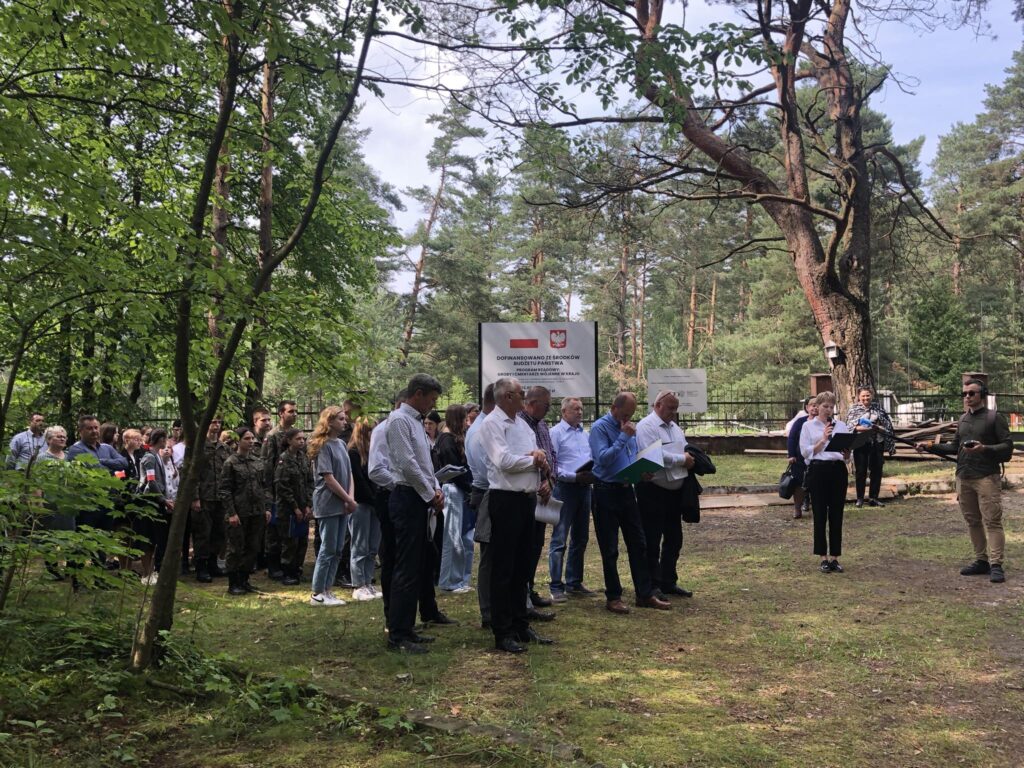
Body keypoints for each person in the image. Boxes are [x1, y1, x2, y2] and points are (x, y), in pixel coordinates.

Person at [480, 377, 554, 653]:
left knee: (523, 565)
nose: (524, 397)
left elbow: (536, 457)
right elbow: (504, 461)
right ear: (508, 396)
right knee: (503, 567)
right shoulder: (491, 424)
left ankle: (521, 625)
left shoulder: (523, 425)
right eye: (521, 393)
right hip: (505, 500)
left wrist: (541, 466)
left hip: (527, 499)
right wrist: (532, 459)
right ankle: (503, 631)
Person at [916, 379, 1014, 583]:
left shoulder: (994, 418)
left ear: (982, 394)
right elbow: (954, 447)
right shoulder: (962, 420)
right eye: (964, 394)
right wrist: (929, 447)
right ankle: (981, 561)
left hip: (987, 476)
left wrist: (984, 448)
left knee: (992, 521)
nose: (967, 397)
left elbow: (1007, 448)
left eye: (971, 393)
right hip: (964, 476)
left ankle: (996, 565)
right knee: (972, 521)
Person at [590, 392, 671, 614]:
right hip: (605, 492)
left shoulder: (630, 429)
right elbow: (603, 460)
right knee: (610, 548)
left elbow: (631, 455)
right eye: (624, 414)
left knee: (639, 543)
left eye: (631, 415)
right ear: (613, 408)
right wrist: (623, 437)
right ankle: (613, 596)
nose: (627, 419)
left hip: (627, 490)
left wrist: (641, 470)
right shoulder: (600, 428)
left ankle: (644, 594)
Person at [384, 374, 446, 653]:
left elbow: (425, 463)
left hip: (419, 496)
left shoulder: (416, 423)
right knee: (405, 568)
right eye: (431, 399)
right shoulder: (398, 420)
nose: (432, 405)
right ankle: (398, 634)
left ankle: (408, 628)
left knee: (417, 565)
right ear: (418, 394)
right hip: (407, 497)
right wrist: (428, 492)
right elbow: (406, 463)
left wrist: (435, 487)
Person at [635, 391, 696, 599]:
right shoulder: (646, 426)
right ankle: (652, 585)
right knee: (652, 539)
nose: (674, 412)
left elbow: (685, 449)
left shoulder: (675, 428)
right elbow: (652, 454)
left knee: (674, 539)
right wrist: (681, 459)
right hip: (653, 490)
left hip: (674, 492)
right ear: (658, 405)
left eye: (676, 408)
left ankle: (668, 581)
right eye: (671, 408)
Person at [547, 397, 597, 602]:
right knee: (559, 539)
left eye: (581, 409)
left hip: (584, 488)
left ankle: (574, 582)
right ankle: (556, 586)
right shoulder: (555, 433)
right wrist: (573, 476)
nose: (580, 412)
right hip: (564, 488)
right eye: (575, 409)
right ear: (564, 411)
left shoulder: (585, 435)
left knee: (581, 537)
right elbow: (553, 465)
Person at [308, 406, 356, 606]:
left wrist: (350, 498)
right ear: (329, 421)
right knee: (327, 548)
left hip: (343, 503)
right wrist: (347, 498)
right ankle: (317, 592)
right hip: (328, 503)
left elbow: (349, 474)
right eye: (341, 419)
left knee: (337, 548)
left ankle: (328, 590)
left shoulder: (341, 445)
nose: (345, 422)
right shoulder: (323, 445)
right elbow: (328, 478)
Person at [800, 391, 851, 573]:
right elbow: (805, 452)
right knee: (820, 513)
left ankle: (835, 557)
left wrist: (847, 454)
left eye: (831, 407)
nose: (828, 410)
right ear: (817, 407)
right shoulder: (808, 427)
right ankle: (823, 557)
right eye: (825, 406)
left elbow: (845, 454)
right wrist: (822, 440)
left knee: (836, 514)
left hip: (837, 470)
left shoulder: (841, 425)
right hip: (818, 470)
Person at [517, 386, 557, 615]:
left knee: (535, 546)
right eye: (547, 405)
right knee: (523, 547)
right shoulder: (519, 425)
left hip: (543, 495)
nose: (549, 409)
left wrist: (550, 482)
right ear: (531, 403)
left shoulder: (542, 425)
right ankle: (522, 598)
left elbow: (553, 457)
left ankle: (529, 589)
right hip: (523, 495)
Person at [219, 427, 269, 596]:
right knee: (235, 548)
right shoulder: (230, 463)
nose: (251, 441)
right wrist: (231, 513)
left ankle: (244, 579)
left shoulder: (257, 461)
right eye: (247, 438)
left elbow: (264, 487)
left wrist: (266, 508)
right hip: (239, 512)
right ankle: (233, 582)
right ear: (238, 441)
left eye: (252, 438)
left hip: (256, 511)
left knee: (252, 547)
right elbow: (225, 490)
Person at [435, 404, 474, 593]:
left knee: (459, 537)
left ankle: (457, 580)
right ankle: (448, 581)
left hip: (458, 489)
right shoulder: (446, 440)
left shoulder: (451, 439)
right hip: (452, 489)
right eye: (464, 419)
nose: (467, 423)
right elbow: (455, 471)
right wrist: (469, 487)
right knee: (452, 538)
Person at [465, 384, 496, 629]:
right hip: (488, 493)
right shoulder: (482, 429)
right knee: (490, 557)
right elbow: (490, 471)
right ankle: (488, 611)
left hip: (492, 492)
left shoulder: (488, 425)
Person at [347, 417, 382, 601]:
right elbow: (359, 481)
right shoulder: (353, 452)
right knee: (360, 545)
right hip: (361, 503)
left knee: (372, 546)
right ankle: (358, 584)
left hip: (374, 504)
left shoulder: (372, 452)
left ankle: (368, 581)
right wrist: (373, 499)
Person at [274, 428, 313, 586]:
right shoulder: (284, 459)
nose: (302, 441)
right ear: (289, 441)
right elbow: (282, 487)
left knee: (302, 540)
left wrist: (308, 505)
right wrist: (295, 507)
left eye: (303, 439)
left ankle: (297, 569)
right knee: (289, 541)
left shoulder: (303, 458)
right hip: (288, 508)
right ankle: (287, 572)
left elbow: (310, 482)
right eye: (298, 439)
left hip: (303, 506)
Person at [846, 387, 895, 508]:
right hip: (861, 443)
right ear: (858, 396)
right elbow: (851, 426)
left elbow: (887, 424)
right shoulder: (854, 409)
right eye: (863, 396)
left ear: (871, 395)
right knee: (861, 471)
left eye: (868, 395)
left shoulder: (878, 408)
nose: (866, 398)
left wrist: (879, 428)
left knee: (877, 471)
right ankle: (860, 498)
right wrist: (867, 428)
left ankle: (873, 497)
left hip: (877, 442)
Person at [194, 416, 227, 583]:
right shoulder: (198, 446)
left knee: (219, 532)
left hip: (220, 497)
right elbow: (193, 474)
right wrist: (195, 497)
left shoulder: (223, 448)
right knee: (203, 534)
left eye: (219, 422)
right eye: (213, 422)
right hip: (205, 496)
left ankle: (213, 564)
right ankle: (201, 567)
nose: (217, 425)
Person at [136, 429, 171, 586]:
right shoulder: (149, 457)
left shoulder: (157, 456)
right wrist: (163, 500)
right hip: (150, 502)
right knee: (148, 539)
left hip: (157, 502)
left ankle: (153, 571)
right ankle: (147, 572)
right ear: (161, 439)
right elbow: (151, 481)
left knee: (156, 539)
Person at [785, 398, 817, 519]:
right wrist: (791, 454)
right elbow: (792, 438)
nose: (814, 408)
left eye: (817, 405)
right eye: (812, 405)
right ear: (807, 407)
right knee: (799, 484)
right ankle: (797, 508)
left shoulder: (825, 422)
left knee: (817, 484)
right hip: (800, 459)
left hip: (817, 459)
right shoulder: (800, 422)